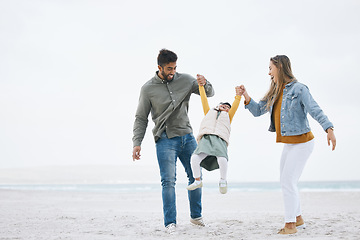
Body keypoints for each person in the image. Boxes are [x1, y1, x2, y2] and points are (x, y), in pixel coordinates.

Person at [240, 55, 336, 235]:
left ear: (280, 67)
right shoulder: (276, 90)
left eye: (270, 68)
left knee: (287, 182)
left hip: (303, 142)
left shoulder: (299, 89)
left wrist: (328, 128)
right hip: (290, 144)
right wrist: (245, 95)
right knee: (286, 181)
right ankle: (298, 219)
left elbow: (314, 109)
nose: (268, 72)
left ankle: (290, 225)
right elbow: (257, 110)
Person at [132, 49, 215, 233]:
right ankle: (170, 223)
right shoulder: (148, 89)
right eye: (169, 68)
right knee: (168, 182)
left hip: (187, 136)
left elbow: (209, 93)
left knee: (196, 176)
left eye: (175, 68)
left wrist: (205, 83)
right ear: (159, 67)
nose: (172, 72)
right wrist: (137, 142)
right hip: (165, 139)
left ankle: (196, 217)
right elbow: (141, 118)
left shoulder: (185, 80)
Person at [186, 82, 242, 194]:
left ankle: (223, 180)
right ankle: (197, 180)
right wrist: (201, 87)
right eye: (223, 105)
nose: (225, 107)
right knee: (195, 158)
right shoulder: (209, 112)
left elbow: (235, 106)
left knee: (222, 158)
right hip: (206, 138)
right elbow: (204, 100)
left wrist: (238, 95)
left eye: (227, 107)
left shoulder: (228, 117)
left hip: (220, 138)